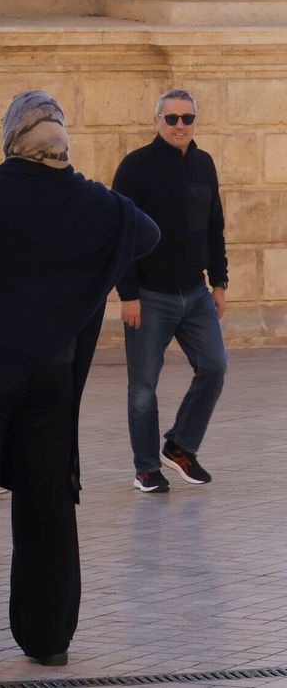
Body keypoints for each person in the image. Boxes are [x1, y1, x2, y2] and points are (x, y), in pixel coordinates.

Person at [0, 90, 158, 671]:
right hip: (51, 373)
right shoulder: (94, 202)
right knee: (48, 505)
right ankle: (48, 641)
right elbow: (146, 236)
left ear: (10, 137)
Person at [111, 88, 229, 493]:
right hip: (149, 295)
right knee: (143, 387)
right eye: (172, 118)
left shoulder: (204, 164)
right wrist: (127, 293)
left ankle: (179, 446)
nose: (180, 125)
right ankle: (146, 468)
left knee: (215, 367)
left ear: (196, 121)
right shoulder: (135, 166)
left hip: (195, 293)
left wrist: (219, 282)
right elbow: (121, 234)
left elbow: (214, 226)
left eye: (187, 118)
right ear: (156, 121)